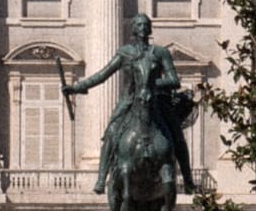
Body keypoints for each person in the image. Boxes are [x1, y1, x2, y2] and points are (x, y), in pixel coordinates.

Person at [65, 14, 197, 195]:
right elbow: (103, 75)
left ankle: (188, 180)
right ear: (134, 29)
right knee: (111, 132)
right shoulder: (125, 53)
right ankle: (101, 178)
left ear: (150, 29)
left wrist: (151, 84)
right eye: (139, 25)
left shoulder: (160, 53)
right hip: (129, 101)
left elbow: (174, 80)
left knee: (177, 136)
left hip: (156, 101)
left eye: (146, 25)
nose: (143, 27)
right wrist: (77, 87)